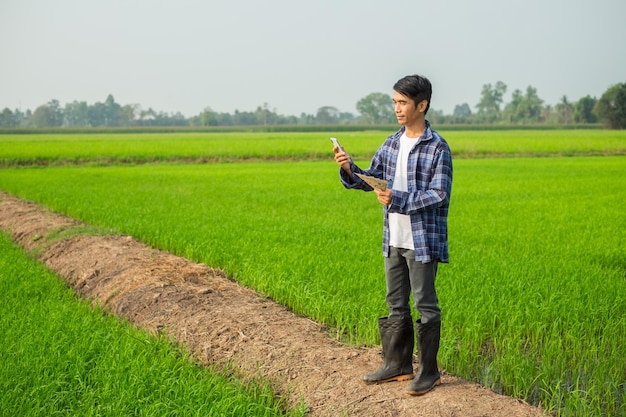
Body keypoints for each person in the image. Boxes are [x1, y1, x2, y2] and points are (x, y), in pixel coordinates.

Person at [333, 74, 453, 396]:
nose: (397, 109)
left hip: (422, 241)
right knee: (395, 303)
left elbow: (439, 194)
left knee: (425, 305)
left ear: (422, 105)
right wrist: (349, 168)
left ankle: (429, 372)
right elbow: (372, 179)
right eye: (395, 102)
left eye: (402, 102)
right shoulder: (391, 143)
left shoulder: (437, 147)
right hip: (393, 237)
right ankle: (397, 364)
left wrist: (398, 199)